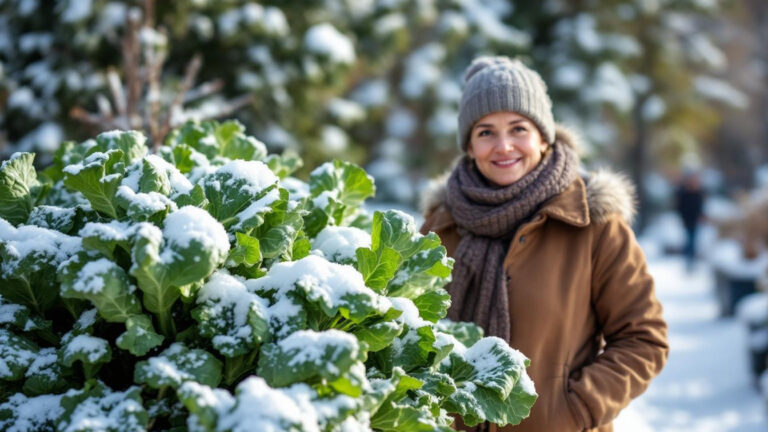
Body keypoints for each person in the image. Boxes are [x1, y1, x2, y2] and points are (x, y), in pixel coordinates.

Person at [419, 56, 669, 432]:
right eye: (485, 132)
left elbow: (644, 338)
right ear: (469, 146)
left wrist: (575, 411)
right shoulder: (440, 227)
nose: (503, 146)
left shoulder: (592, 223)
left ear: (543, 136)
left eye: (518, 128)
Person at [675, 169, 704, 272]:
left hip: (695, 220)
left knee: (693, 240)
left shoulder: (698, 192)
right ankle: (688, 261)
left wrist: (701, 216)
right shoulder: (683, 192)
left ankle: (691, 261)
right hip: (687, 220)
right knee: (689, 241)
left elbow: (700, 206)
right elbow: (680, 207)